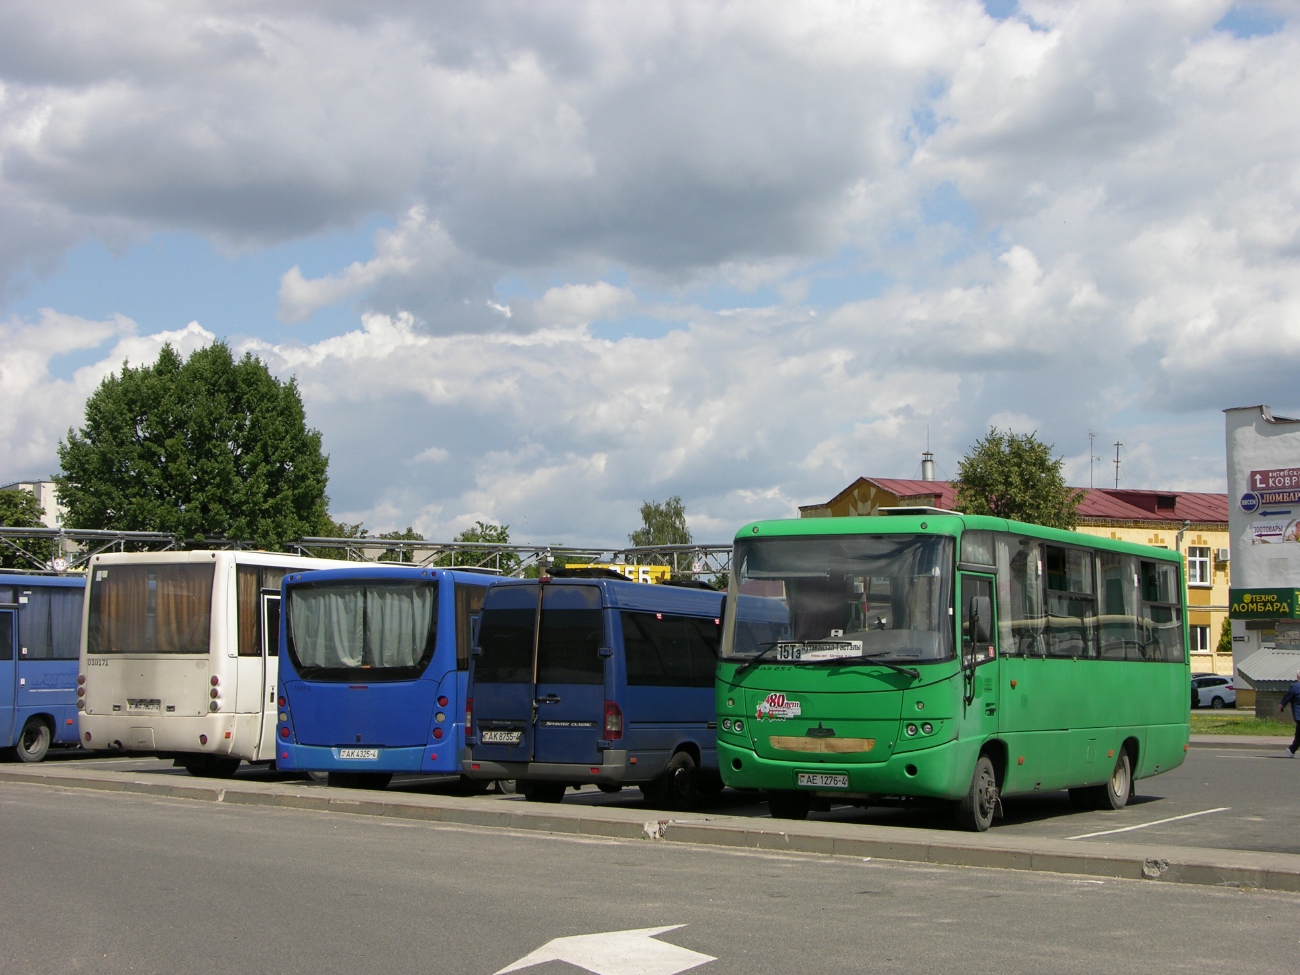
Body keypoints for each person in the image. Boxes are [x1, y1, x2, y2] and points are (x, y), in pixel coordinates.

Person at [1280, 671, 1300, 757]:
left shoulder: (1294, 687)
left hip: (1299, 715)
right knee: (1299, 733)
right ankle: (1292, 750)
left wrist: (1281, 705)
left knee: (1299, 733)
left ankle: (1292, 750)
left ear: (1298, 676)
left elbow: (1287, 697)